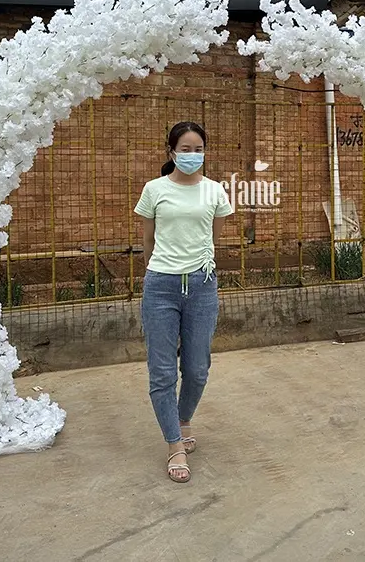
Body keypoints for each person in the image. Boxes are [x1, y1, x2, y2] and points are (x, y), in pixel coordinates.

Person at [134, 121, 233, 483]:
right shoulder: (154, 190)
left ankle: (183, 416)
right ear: (171, 151)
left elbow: (212, 237)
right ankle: (174, 444)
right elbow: (149, 240)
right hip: (161, 286)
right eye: (185, 149)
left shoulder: (215, 192)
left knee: (197, 368)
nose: (193, 155)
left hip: (203, 286)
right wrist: (158, 274)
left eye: (198, 149)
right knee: (161, 372)